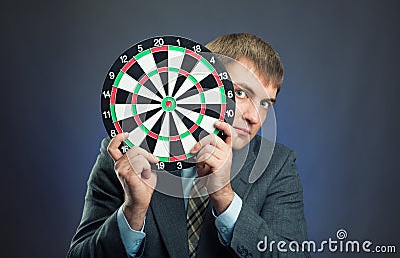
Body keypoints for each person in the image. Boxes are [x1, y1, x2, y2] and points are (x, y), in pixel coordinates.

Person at [68, 33, 309, 257]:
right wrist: (133, 211)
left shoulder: (277, 164)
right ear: (201, 84)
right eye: (241, 93)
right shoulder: (129, 155)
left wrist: (225, 198)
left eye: (266, 103)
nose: (255, 117)